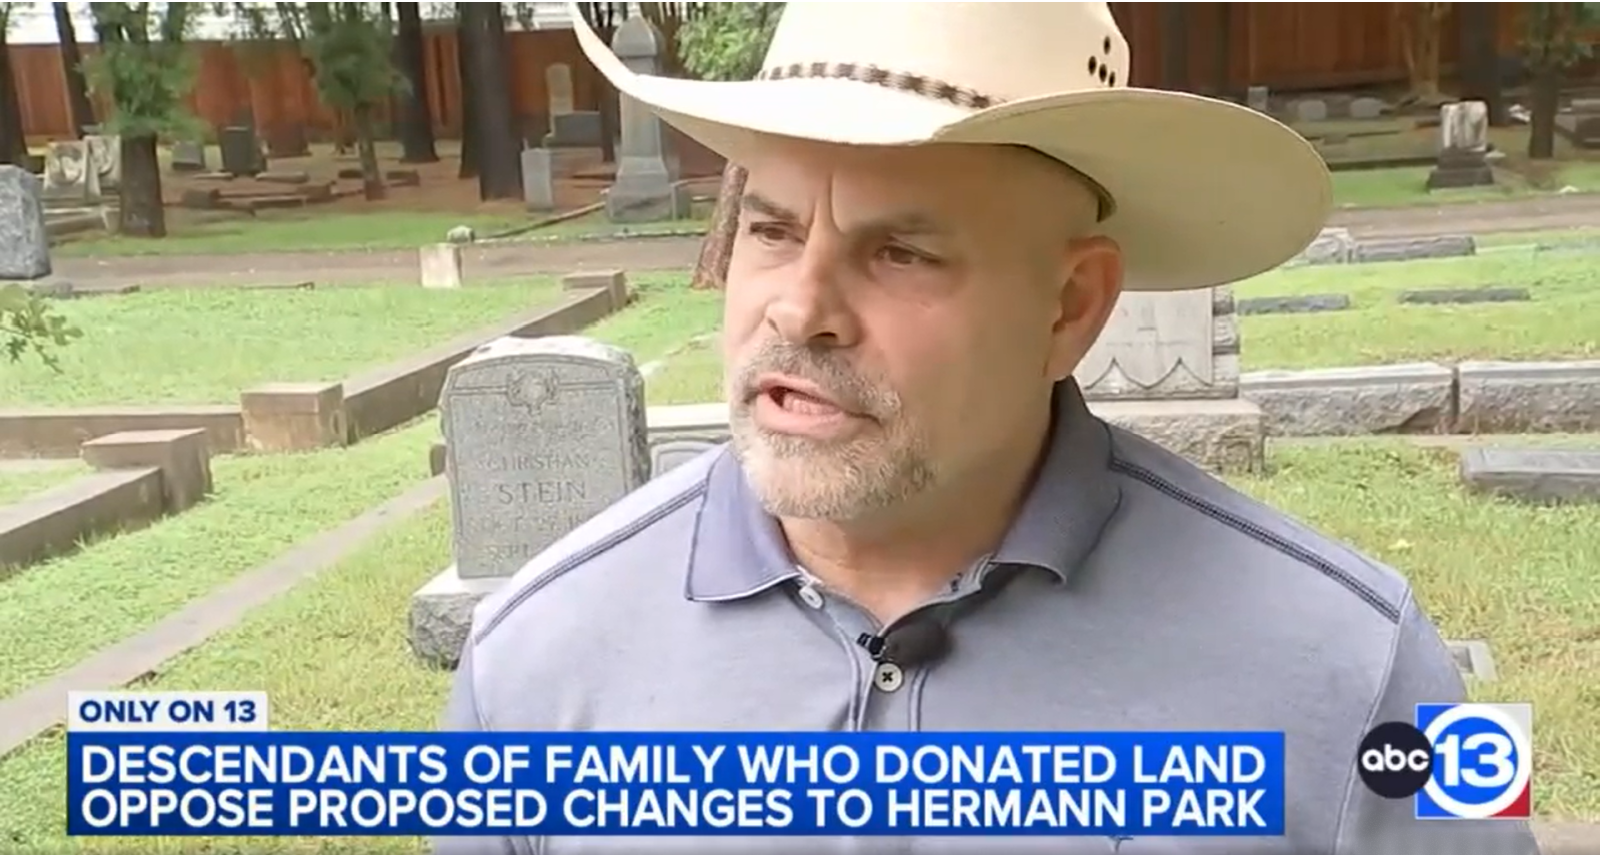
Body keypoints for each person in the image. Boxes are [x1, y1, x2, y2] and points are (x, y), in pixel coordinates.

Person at [437, 3, 1541, 854]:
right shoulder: (535, 663)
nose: (798, 307)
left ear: (1069, 305)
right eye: (770, 232)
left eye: (900, 252)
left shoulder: (1362, 663)